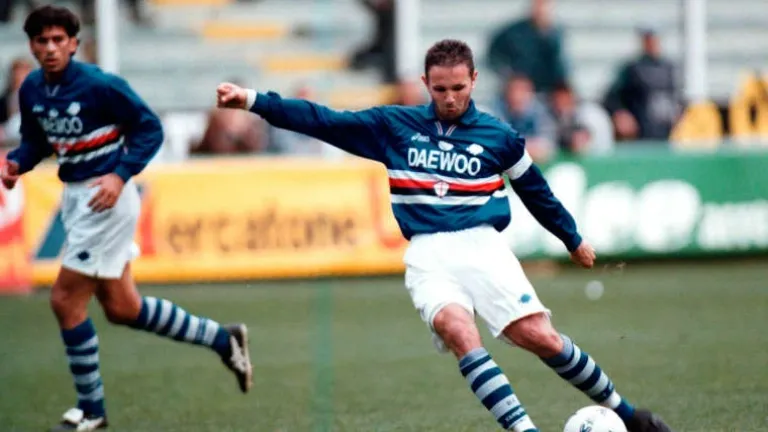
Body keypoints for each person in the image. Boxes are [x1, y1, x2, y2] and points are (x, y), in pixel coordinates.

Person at [216, 39, 673, 432]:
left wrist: (571, 238)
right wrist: (253, 100)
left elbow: (535, 190)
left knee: (541, 338)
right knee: (460, 332)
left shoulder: (499, 136)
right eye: (440, 89)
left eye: (458, 87)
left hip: (483, 248)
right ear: (425, 83)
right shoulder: (393, 127)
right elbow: (322, 119)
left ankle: (628, 415)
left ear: (474, 79)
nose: (450, 98)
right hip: (429, 256)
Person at [0, 6, 252, 431]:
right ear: (32, 45)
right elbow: (37, 142)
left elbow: (150, 128)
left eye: (59, 39)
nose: (51, 48)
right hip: (76, 198)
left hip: (107, 199)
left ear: (74, 43)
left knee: (64, 300)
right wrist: (17, 164)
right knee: (122, 307)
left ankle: (92, 410)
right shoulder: (32, 91)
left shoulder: (100, 85)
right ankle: (223, 339)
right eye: (42, 41)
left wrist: (120, 176)